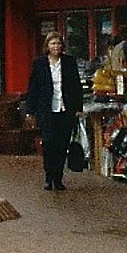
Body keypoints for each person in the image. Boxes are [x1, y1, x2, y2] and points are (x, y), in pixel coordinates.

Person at [23, 32, 84, 191]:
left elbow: (76, 85)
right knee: (49, 143)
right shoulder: (39, 63)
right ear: (47, 46)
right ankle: (49, 176)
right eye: (53, 44)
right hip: (47, 109)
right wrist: (30, 110)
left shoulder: (69, 62)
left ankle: (58, 178)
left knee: (62, 144)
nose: (56, 47)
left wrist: (78, 107)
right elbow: (33, 87)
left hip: (66, 109)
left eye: (58, 43)